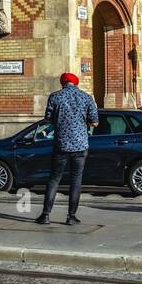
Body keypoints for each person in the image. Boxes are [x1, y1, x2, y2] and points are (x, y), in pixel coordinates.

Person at [36, 72, 99, 225]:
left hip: (61, 145)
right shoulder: (86, 97)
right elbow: (95, 122)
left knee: (54, 179)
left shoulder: (55, 97)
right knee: (76, 180)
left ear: (62, 83)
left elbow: (48, 119)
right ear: (76, 83)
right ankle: (71, 216)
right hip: (80, 145)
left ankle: (45, 215)